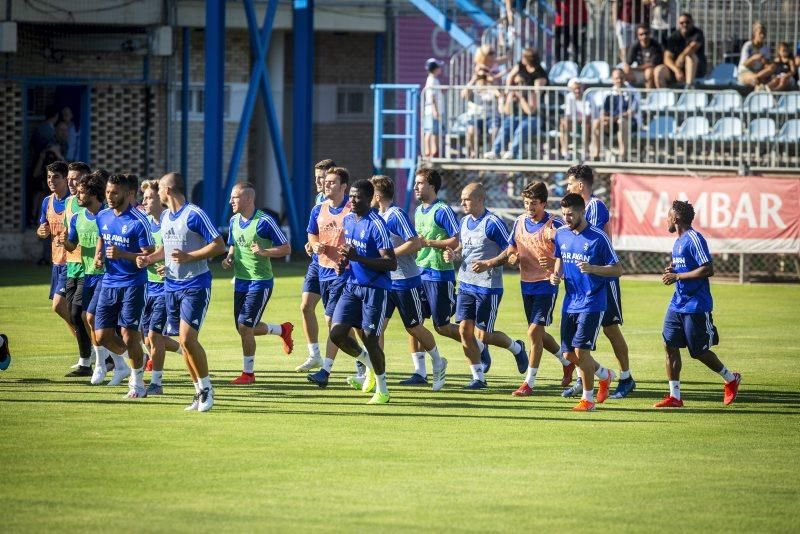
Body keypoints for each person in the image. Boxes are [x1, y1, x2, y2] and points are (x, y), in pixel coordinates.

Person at [139, 172, 225, 412]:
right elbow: (165, 249)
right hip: (171, 287)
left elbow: (219, 245)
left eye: (159, 189)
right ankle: (198, 391)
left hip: (195, 285)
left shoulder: (194, 214)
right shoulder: (165, 217)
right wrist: (149, 259)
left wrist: (190, 257)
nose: (155, 194)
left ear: (167, 190)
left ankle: (207, 388)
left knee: (188, 339)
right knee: (183, 344)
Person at [655, 200, 741, 408]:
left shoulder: (694, 238)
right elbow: (685, 265)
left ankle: (730, 379)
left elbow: (708, 269)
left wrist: (678, 276)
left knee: (699, 352)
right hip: (677, 303)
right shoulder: (678, 241)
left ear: (676, 218)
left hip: (696, 304)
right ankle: (675, 396)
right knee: (669, 345)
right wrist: (673, 268)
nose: (666, 219)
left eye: (668, 215)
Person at [443, 183, 528, 390]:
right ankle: (478, 377)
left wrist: (488, 263)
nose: (462, 202)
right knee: (464, 330)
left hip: (488, 287)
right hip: (465, 283)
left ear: (480, 200)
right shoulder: (464, 221)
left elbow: (509, 249)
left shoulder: (492, 223)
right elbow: (464, 247)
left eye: (467, 199)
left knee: (483, 335)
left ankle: (517, 348)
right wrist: (454, 254)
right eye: (462, 198)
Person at [369, 175, 447, 391]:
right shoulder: (377, 217)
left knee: (413, 327)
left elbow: (414, 243)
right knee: (376, 329)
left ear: (376, 195)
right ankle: (377, 374)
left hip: (406, 281)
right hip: (386, 282)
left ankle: (438, 362)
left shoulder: (396, 215)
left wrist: (389, 255)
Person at [564, 165, 636, 399]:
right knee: (577, 337)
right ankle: (584, 378)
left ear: (581, 185)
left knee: (611, 328)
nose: (567, 187)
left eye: (570, 183)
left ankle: (626, 378)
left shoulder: (594, 206)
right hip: (583, 283)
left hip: (602, 281)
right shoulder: (577, 210)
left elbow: (590, 236)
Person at [413, 169, 492, 371]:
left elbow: (457, 239)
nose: (415, 187)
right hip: (419, 272)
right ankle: (420, 372)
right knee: (414, 323)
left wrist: (429, 242)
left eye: (420, 183)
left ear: (432, 186)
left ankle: (479, 345)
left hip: (439, 274)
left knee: (442, 327)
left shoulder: (442, 210)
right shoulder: (417, 210)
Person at [551, 193, 621, 411]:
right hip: (570, 301)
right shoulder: (561, 234)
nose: (566, 219)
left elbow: (618, 269)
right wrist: (556, 275)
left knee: (581, 353)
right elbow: (560, 258)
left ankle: (588, 400)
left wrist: (593, 269)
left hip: (592, 302)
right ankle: (604, 374)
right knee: (568, 354)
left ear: (582, 212)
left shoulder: (598, 238)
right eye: (563, 215)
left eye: (570, 214)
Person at [330, 179, 397, 404]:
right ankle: (368, 363)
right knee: (336, 333)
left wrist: (358, 258)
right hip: (353, 286)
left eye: (358, 197)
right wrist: (343, 263)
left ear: (370, 199)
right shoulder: (348, 220)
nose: (352, 200)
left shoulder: (376, 224)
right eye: (351, 196)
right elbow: (349, 253)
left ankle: (383, 390)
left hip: (376, 289)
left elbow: (390, 263)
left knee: (371, 339)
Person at [506, 181, 575, 396]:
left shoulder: (554, 225)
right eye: (526, 203)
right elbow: (512, 247)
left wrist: (555, 269)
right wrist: (512, 257)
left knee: (534, 331)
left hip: (546, 284)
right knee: (538, 334)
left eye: (534, 203)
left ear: (544, 203)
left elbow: (565, 251)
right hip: (526, 284)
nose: (529, 207)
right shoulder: (519, 222)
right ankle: (566, 362)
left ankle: (529, 382)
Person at [222, 181, 293, 384]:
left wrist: (264, 252)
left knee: (245, 327)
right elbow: (233, 246)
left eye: (234, 197)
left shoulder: (265, 221)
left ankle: (248, 374)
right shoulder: (234, 220)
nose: (230, 201)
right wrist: (229, 258)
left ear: (248, 199)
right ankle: (282, 330)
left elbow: (286, 248)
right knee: (243, 327)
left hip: (260, 282)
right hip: (241, 282)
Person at [93, 174, 155, 399]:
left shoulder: (139, 221)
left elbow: (148, 255)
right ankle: (137, 359)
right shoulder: (103, 216)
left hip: (133, 284)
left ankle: (137, 383)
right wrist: (99, 255)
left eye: (115, 193)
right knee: (102, 336)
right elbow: (103, 236)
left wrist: (124, 254)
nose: (109, 196)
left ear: (127, 194)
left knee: (129, 334)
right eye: (108, 192)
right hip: (109, 282)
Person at [306, 167, 362, 388]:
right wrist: (314, 243)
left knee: (334, 323)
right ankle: (364, 363)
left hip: (345, 273)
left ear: (343, 186)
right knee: (342, 326)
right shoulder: (318, 209)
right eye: (325, 182)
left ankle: (325, 371)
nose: (325, 185)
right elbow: (312, 232)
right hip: (323, 270)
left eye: (331, 182)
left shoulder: (352, 210)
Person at [133, 180, 183, 395]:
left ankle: (156, 384)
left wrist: (167, 265)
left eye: (149, 198)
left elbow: (177, 248)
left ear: (159, 200)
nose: (144, 202)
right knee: (147, 338)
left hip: (166, 287)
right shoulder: (144, 222)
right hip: (147, 286)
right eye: (143, 198)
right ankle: (185, 349)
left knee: (154, 336)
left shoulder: (167, 221)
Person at [64, 171, 112, 384]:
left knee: (89, 318)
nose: (78, 196)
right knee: (86, 318)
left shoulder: (108, 215)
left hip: (108, 275)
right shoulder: (77, 217)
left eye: (82, 193)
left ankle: (102, 364)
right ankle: (109, 362)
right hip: (88, 274)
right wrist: (63, 240)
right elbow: (72, 245)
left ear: (93, 195)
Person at [297, 159, 337, 372]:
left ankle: (360, 363)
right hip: (317, 263)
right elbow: (315, 230)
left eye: (322, 178)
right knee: (305, 306)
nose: (319, 182)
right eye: (316, 179)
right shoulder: (319, 200)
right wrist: (311, 243)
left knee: (337, 319)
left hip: (335, 266)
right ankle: (315, 355)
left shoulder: (344, 202)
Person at [35, 161, 76, 360]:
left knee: (59, 306)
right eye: (49, 177)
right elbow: (42, 228)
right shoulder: (47, 201)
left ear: (65, 179)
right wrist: (41, 231)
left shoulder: (73, 202)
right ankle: (86, 349)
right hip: (56, 262)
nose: (51, 180)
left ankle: (94, 347)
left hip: (72, 261)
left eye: (56, 177)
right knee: (66, 311)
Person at [60, 162, 92, 375]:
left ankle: (94, 360)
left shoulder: (94, 204)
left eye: (76, 179)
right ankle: (88, 361)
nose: (71, 183)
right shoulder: (69, 203)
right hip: (71, 266)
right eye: (69, 179)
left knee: (80, 314)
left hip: (89, 268)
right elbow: (68, 236)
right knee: (73, 316)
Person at [590, 69, 639, 160]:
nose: (619, 80)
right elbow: (604, 112)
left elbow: (629, 113)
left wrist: (612, 119)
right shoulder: (609, 93)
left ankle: (622, 155)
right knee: (596, 122)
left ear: (625, 78)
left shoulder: (633, 92)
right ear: (612, 79)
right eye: (616, 78)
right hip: (612, 123)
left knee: (622, 121)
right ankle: (596, 155)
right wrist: (604, 119)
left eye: (621, 78)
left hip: (629, 123)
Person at [655, 12, 707, 88]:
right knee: (658, 70)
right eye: (681, 23)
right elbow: (667, 58)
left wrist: (682, 57)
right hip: (677, 69)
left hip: (696, 70)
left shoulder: (697, 33)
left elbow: (693, 47)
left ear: (692, 22)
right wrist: (676, 70)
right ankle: (663, 97)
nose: (684, 25)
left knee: (690, 57)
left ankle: (688, 89)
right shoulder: (673, 37)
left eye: (687, 22)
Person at [738, 22, 775, 89]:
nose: (762, 35)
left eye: (764, 33)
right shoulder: (748, 45)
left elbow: (767, 66)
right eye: (760, 33)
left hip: (759, 72)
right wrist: (754, 58)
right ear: (754, 33)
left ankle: (757, 79)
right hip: (745, 72)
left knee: (772, 67)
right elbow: (745, 64)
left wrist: (765, 62)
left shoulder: (766, 48)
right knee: (756, 81)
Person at [559, 79, 589, 160]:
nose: (577, 90)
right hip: (574, 123)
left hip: (585, 124)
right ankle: (565, 152)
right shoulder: (569, 97)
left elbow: (587, 116)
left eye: (579, 88)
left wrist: (575, 118)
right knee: (563, 123)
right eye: (575, 88)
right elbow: (568, 115)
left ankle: (585, 152)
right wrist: (577, 119)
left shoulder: (588, 96)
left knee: (586, 125)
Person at [554, 0, 588, 66]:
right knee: (560, 49)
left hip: (579, 20)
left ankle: (580, 69)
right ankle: (562, 68)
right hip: (562, 22)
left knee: (579, 48)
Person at [423, 58, 444, 158]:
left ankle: (433, 152)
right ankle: (430, 152)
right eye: (438, 67)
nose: (440, 69)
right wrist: (435, 110)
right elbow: (432, 97)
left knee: (433, 131)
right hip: (432, 111)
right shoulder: (432, 80)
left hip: (432, 110)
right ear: (434, 68)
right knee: (431, 132)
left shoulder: (434, 79)